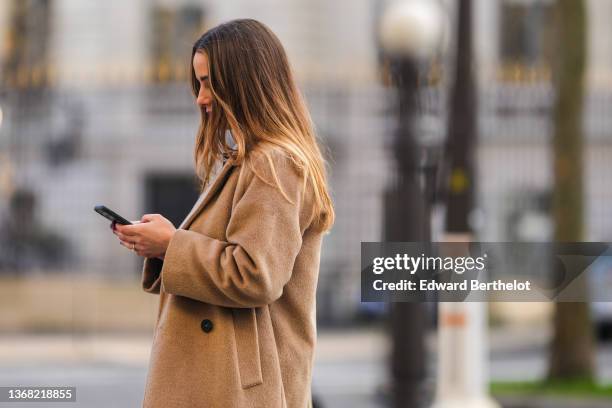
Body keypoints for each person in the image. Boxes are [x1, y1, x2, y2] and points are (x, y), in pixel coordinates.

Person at [112, 19, 334, 408]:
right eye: (198, 83)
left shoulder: (273, 162)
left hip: (240, 388)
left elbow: (254, 275)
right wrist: (164, 248)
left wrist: (171, 245)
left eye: (210, 82)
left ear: (247, 81)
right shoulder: (250, 162)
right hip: (227, 382)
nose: (200, 97)